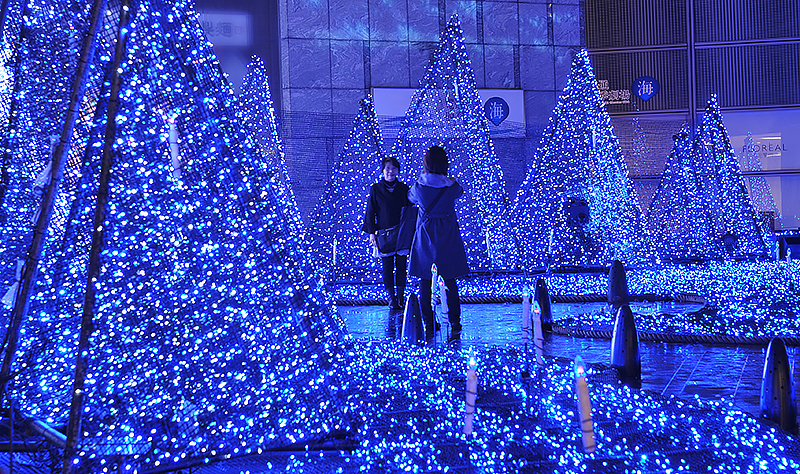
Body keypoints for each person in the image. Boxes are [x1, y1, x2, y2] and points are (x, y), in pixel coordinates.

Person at [408, 146, 469, 340]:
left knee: (425, 282)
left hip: (425, 240)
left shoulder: (419, 187)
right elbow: (460, 192)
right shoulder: (451, 187)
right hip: (447, 239)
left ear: (426, 163)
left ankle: (429, 322)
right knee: (449, 281)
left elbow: (410, 198)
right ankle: (454, 321)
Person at [363, 156, 411, 310]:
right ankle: (391, 299)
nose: (390, 171)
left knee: (402, 266)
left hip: (402, 232)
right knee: (387, 266)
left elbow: (409, 210)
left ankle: (401, 296)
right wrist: (371, 233)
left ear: (398, 170)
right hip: (383, 233)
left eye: (393, 168)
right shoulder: (376, 189)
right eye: (387, 168)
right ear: (383, 171)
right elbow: (371, 212)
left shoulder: (404, 188)